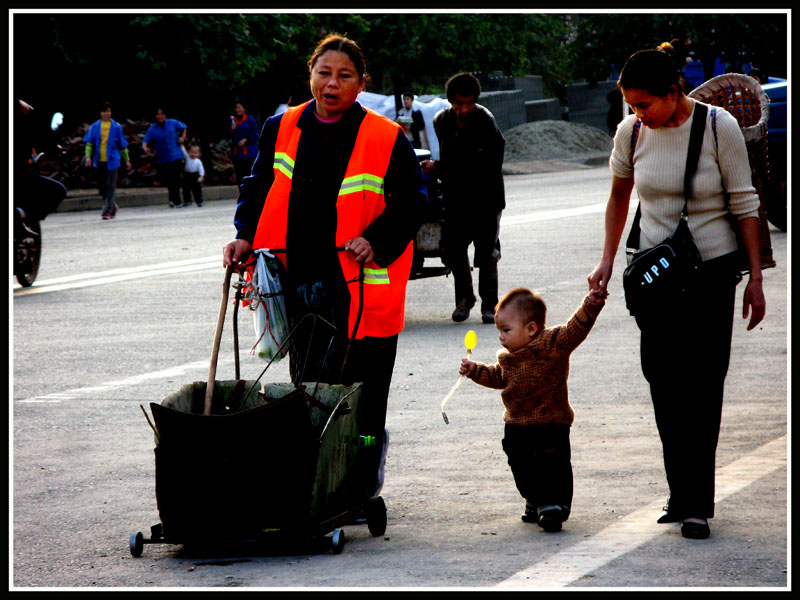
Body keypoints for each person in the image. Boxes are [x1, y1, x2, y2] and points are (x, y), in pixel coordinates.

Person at [222, 34, 428, 492]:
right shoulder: (281, 126)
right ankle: (316, 475)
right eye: (324, 73)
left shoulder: (385, 136)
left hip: (361, 284)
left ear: (360, 85)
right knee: (310, 383)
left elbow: (415, 200)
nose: (332, 84)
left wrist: (375, 240)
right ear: (311, 75)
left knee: (366, 388)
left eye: (344, 76)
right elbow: (256, 189)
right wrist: (243, 237)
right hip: (301, 279)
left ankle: (363, 470)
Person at [587, 41, 766, 540]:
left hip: (711, 273)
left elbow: (746, 202)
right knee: (663, 383)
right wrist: (605, 260)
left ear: (674, 91)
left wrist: (755, 278)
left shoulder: (716, 127)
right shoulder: (632, 132)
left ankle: (697, 505)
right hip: (655, 277)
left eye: (644, 104)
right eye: (630, 105)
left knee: (703, 386)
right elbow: (619, 198)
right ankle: (679, 491)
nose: (637, 114)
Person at [460, 287, 606, 532]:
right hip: (516, 424)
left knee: (554, 464)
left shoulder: (553, 344)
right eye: (499, 331)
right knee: (521, 465)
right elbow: (497, 377)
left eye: (506, 330)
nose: (501, 337)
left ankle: (555, 505)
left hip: (552, 422)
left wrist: (591, 304)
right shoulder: (508, 358)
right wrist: (474, 371)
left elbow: (576, 329)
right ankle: (534, 499)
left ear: (530, 328)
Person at [421, 72, 506, 324]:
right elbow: (451, 157)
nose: (464, 109)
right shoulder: (441, 121)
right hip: (455, 197)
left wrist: (438, 167)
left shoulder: (486, 122)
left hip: (485, 198)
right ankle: (464, 300)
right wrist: (441, 168)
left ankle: (490, 305)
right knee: (455, 250)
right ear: (450, 101)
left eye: (469, 103)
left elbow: (486, 165)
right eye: (459, 103)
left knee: (487, 252)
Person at [83, 101, 131, 219]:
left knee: (110, 186)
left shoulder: (116, 127)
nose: (106, 113)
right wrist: (88, 156)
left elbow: (122, 146)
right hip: (99, 161)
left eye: (108, 111)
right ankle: (112, 206)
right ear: (100, 113)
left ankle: (107, 212)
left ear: (111, 112)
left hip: (112, 161)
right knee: (102, 187)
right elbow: (89, 144)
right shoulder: (95, 126)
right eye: (104, 111)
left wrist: (127, 160)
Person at [142, 107, 187, 208]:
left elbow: (184, 127)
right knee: (169, 180)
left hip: (175, 154)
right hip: (163, 157)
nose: (160, 116)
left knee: (176, 179)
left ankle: (177, 200)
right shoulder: (153, 128)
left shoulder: (172, 123)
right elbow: (146, 140)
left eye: (162, 114)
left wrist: (182, 137)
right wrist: (145, 147)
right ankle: (172, 199)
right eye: (158, 114)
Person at [230, 101, 259, 186]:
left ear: (244, 109)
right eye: (236, 108)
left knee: (249, 173)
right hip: (237, 152)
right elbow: (228, 135)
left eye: (239, 107)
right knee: (239, 174)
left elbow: (255, 133)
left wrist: (246, 140)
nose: (237, 110)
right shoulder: (232, 120)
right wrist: (232, 129)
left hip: (249, 152)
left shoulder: (249, 120)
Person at [181, 142, 205, 207]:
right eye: (191, 152)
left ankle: (199, 201)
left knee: (197, 190)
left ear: (198, 154)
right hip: (187, 175)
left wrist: (201, 175)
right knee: (186, 189)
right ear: (189, 152)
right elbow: (184, 151)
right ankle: (187, 201)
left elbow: (201, 169)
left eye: (195, 153)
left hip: (195, 175)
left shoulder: (198, 161)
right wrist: (181, 145)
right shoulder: (187, 158)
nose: (193, 154)